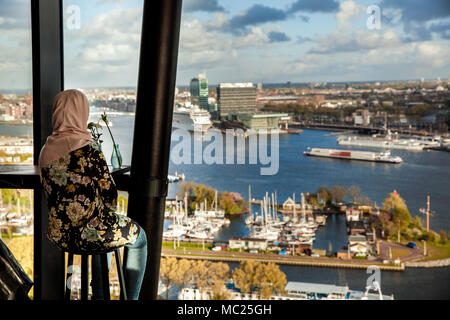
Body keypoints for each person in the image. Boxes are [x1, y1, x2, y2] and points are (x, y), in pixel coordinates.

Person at [38, 89, 147, 300]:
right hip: (89, 234)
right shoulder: (88, 149)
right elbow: (110, 196)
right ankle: (122, 297)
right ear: (81, 113)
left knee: (101, 227)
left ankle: (100, 292)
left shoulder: (45, 151)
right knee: (138, 238)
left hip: (60, 236)